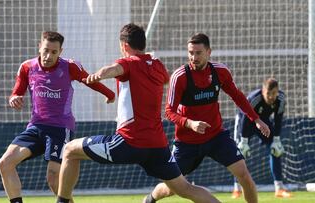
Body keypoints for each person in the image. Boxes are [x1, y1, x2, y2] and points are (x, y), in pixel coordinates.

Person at [55, 23, 221, 203]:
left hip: (128, 143)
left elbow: (114, 69)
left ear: (124, 46)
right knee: (185, 188)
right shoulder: (157, 65)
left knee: (70, 149)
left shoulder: (128, 62)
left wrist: (99, 75)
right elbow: (165, 80)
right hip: (158, 146)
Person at [143, 33, 271, 203]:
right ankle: (150, 199)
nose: (193, 57)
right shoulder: (179, 77)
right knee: (171, 187)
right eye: (190, 52)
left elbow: (238, 96)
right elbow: (169, 112)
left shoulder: (220, 72)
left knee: (244, 175)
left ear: (209, 52)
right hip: (187, 143)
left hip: (216, 137)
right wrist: (190, 123)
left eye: (198, 53)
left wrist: (256, 119)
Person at [0, 31, 115, 203]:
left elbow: (89, 80)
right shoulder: (27, 67)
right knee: (5, 164)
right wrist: (13, 98)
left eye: (54, 52)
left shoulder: (70, 66)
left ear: (60, 51)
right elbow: (17, 91)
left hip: (60, 128)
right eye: (45, 50)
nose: (48, 56)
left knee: (53, 179)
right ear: (39, 47)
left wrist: (110, 94)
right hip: (35, 127)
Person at [232, 78, 291, 198]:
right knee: (239, 154)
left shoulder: (281, 99)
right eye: (268, 94)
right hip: (246, 122)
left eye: (274, 93)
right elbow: (244, 117)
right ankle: (237, 188)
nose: (271, 97)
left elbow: (278, 120)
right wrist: (243, 141)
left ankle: (279, 188)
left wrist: (276, 139)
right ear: (263, 91)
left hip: (263, 123)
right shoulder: (254, 98)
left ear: (277, 91)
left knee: (275, 150)